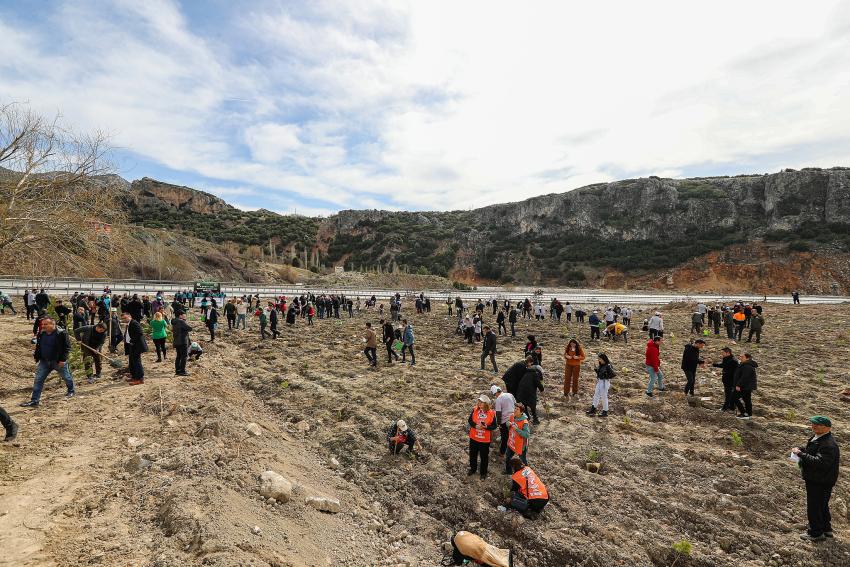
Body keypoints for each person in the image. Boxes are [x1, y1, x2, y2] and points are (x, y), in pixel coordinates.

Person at [791, 416, 840, 541]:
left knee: (814, 506)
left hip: (820, 480)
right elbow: (813, 451)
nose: (814, 426)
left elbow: (821, 462)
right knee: (822, 505)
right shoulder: (819, 438)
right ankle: (826, 529)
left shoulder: (829, 444)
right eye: (813, 424)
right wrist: (802, 450)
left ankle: (816, 533)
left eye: (818, 425)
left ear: (827, 428)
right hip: (818, 478)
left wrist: (801, 454)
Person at [20, 317, 75, 406]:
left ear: (53, 324)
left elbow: (67, 348)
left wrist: (63, 360)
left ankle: (71, 390)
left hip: (58, 361)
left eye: (46, 324)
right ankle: (35, 400)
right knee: (38, 380)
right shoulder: (41, 333)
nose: (43, 326)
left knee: (66, 376)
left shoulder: (61, 333)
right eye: (42, 324)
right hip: (44, 361)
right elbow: (39, 346)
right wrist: (37, 355)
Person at [467, 395, 497, 480]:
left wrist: (486, 427)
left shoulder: (491, 413)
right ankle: (473, 469)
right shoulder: (475, 409)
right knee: (472, 455)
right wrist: (475, 426)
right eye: (478, 401)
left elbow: (494, 426)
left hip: (484, 440)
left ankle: (483, 473)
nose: (479, 403)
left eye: (481, 402)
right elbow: (470, 420)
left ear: (486, 404)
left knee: (484, 457)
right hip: (473, 438)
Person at [444, 531, 512, 567]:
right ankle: (506, 558)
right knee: (497, 554)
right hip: (483, 544)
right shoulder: (462, 533)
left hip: (480, 553)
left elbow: (459, 562)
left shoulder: (457, 550)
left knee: (491, 562)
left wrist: (466, 560)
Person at [515, 357, 544, 425]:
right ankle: (535, 419)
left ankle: (527, 418)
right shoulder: (535, 374)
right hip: (529, 392)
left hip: (520, 392)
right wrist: (542, 390)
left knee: (524, 405)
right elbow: (538, 384)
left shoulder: (526, 373)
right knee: (532, 405)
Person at [122, 312, 147, 385]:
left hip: (136, 346)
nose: (124, 319)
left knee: (137, 362)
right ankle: (134, 376)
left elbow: (140, 333)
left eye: (125, 318)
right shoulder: (129, 324)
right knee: (132, 362)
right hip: (131, 346)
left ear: (130, 316)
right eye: (123, 318)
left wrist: (132, 341)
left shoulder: (134, 323)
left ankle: (140, 378)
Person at [504, 403, 530, 473]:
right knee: (508, 457)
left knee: (523, 461)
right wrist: (507, 424)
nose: (515, 410)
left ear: (521, 412)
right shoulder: (512, 416)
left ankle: (526, 475)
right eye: (515, 408)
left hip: (521, 445)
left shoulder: (525, 422)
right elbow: (508, 423)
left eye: (517, 409)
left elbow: (527, 434)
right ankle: (508, 471)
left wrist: (517, 429)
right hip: (512, 442)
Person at [491, 385, 515, 456]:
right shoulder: (510, 394)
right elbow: (515, 404)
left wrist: (498, 423)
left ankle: (502, 452)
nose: (495, 396)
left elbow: (498, 413)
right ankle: (512, 449)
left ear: (495, 393)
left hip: (504, 420)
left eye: (495, 394)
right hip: (513, 418)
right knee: (512, 435)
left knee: (505, 437)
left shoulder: (499, 399)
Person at [712, 347, 739, 412]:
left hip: (730, 380)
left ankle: (725, 407)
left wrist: (722, 372)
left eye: (723, 353)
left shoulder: (733, 361)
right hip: (726, 379)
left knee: (728, 394)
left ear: (728, 353)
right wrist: (714, 365)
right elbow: (724, 365)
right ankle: (732, 407)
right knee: (730, 393)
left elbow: (733, 372)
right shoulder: (726, 358)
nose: (722, 354)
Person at [732, 352, 757, 419]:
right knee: (747, 400)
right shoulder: (744, 364)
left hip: (744, 386)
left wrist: (738, 385)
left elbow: (745, 377)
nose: (740, 358)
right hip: (746, 386)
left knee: (734, 397)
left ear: (747, 358)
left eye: (742, 357)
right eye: (740, 356)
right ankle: (749, 414)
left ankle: (744, 413)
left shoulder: (747, 366)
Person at [171, 311, 192, 376]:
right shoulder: (181, 321)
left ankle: (177, 370)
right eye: (183, 315)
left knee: (178, 356)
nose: (184, 316)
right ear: (180, 315)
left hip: (177, 341)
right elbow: (190, 328)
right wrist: (184, 321)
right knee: (184, 356)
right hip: (183, 341)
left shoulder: (174, 321)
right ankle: (182, 371)